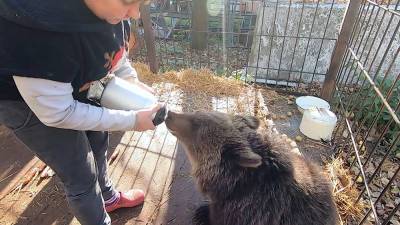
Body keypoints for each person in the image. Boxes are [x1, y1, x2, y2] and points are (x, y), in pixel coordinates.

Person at [0, 0, 160, 224]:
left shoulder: (110, 11)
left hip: (73, 82)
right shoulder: (38, 34)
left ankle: (108, 197)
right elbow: (59, 114)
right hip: (29, 106)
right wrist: (133, 120)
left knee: (97, 140)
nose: (134, 14)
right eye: (127, 2)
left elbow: (116, 51)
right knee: (81, 174)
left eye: (141, 3)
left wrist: (131, 81)